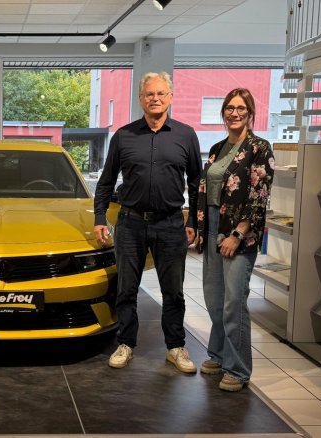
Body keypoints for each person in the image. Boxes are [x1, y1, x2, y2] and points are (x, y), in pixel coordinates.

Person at [94, 72, 202, 373]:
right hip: (130, 223)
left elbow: (196, 183)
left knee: (173, 291)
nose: (155, 98)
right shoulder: (124, 136)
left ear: (170, 96)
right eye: (149, 94)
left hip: (170, 224)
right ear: (141, 99)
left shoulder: (185, 135)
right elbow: (105, 181)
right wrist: (100, 217)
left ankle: (175, 347)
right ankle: (126, 343)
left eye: (160, 93)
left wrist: (193, 219)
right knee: (127, 288)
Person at [194, 88, 274, 392]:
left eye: (241, 108)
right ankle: (218, 353)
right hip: (214, 225)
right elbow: (205, 190)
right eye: (230, 107)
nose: (234, 113)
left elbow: (259, 197)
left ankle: (238, 369)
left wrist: (238, 234)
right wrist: (201, 228)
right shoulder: (217, 148)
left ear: (250, 112)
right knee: (214, 299)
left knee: (233, 303)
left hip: (240, 232)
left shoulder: (259, 148)